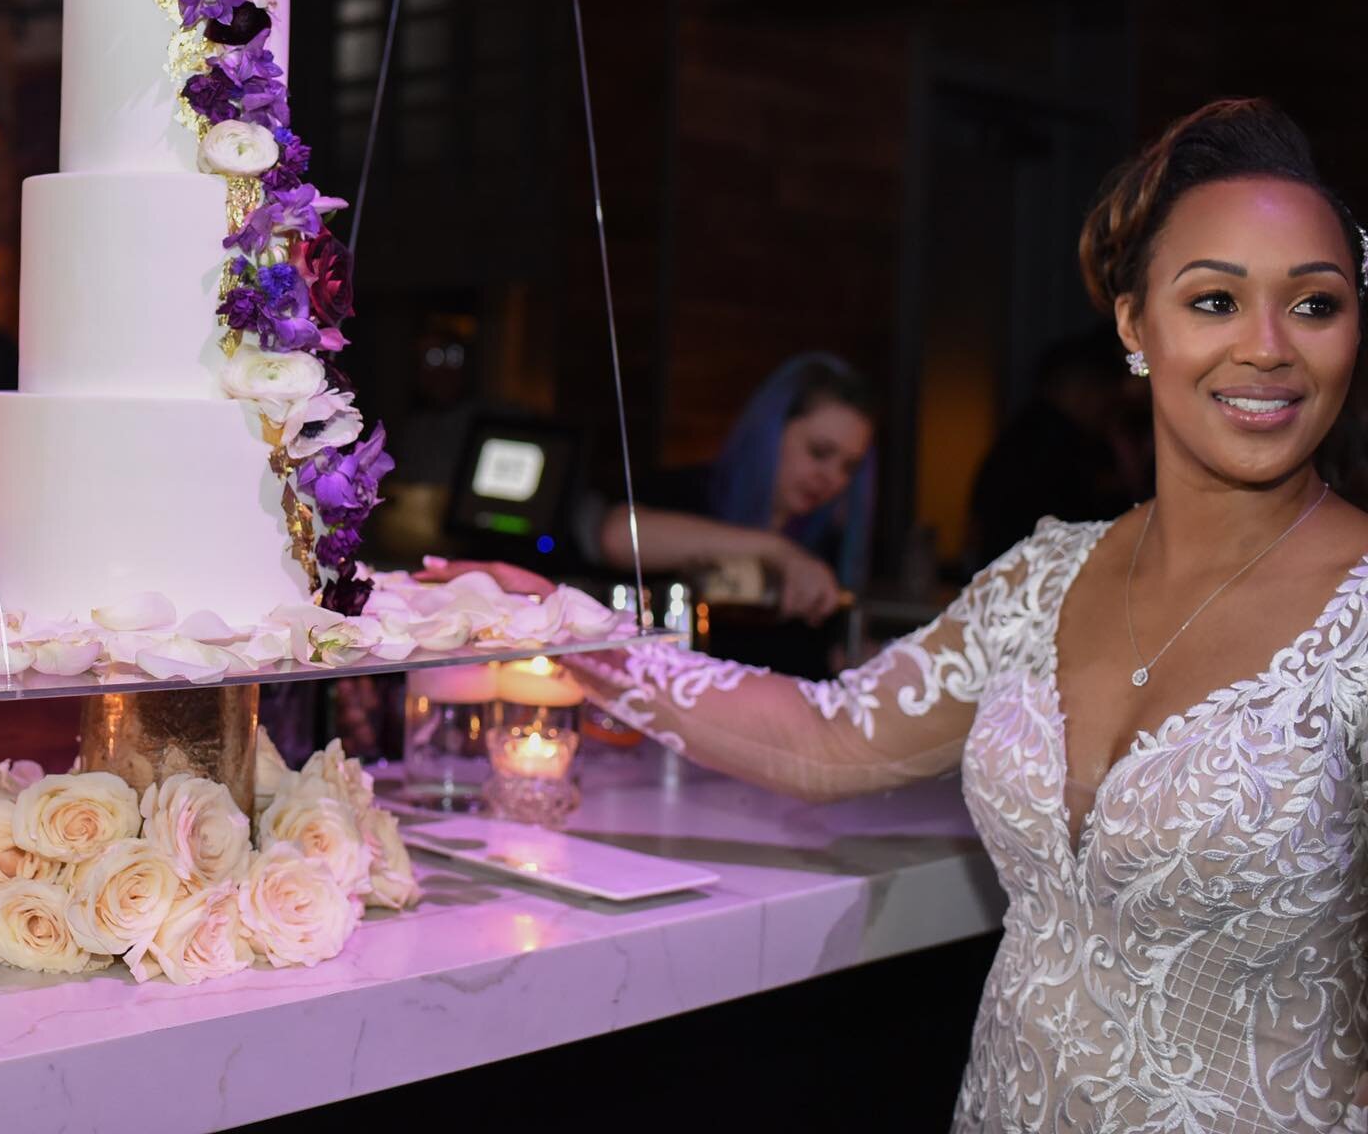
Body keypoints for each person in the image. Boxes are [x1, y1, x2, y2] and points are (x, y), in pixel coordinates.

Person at [556, 99, 1368, 1130]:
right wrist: (560, 627)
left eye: (1314, 305)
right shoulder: (1042, 580)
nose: (1267, 348)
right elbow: (826, 737)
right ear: (1133, 323)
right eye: (1214, 301)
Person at [597, 353, 876, 628]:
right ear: (770, 433)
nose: (833, 478)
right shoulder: (694, 492)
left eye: (849, 467)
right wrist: (777, 551)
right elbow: (619, 537)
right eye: (819, 452)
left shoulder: (831, 542)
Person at [965, 323, 1150, 567]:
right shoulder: (1055, 449)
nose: (1109, 404)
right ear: (1080, 387)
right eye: (1103, 390)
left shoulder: (1022, 439)